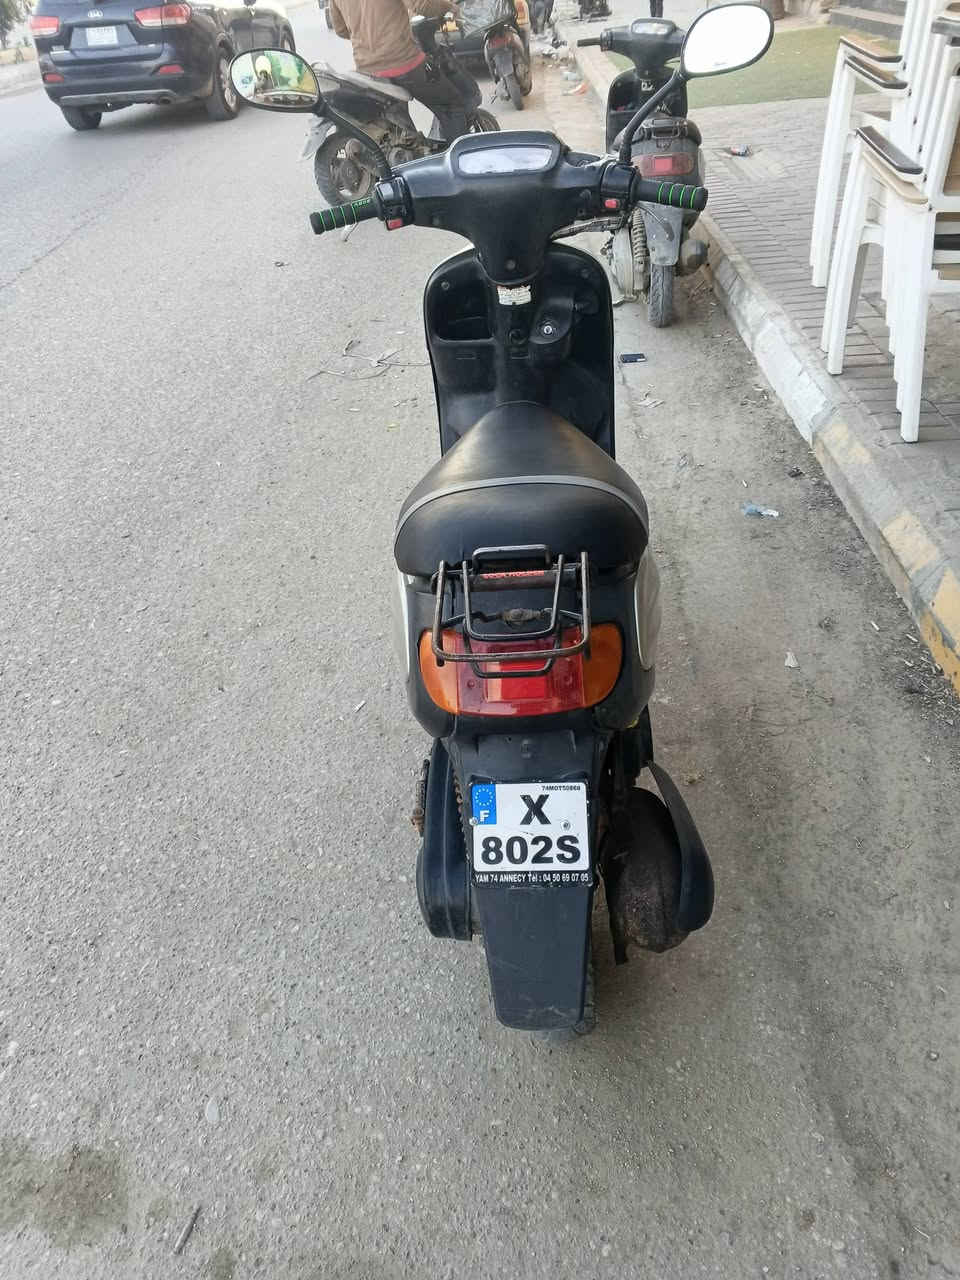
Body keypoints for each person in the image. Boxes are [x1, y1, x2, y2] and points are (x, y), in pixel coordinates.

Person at [328, 0, 475, 141]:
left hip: (367, 72)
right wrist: (449, 7)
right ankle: (460, 156)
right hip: (403, 63)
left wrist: (365, 34)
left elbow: (340, 29)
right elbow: (422, 5)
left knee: (395, 128)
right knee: (452, 106)